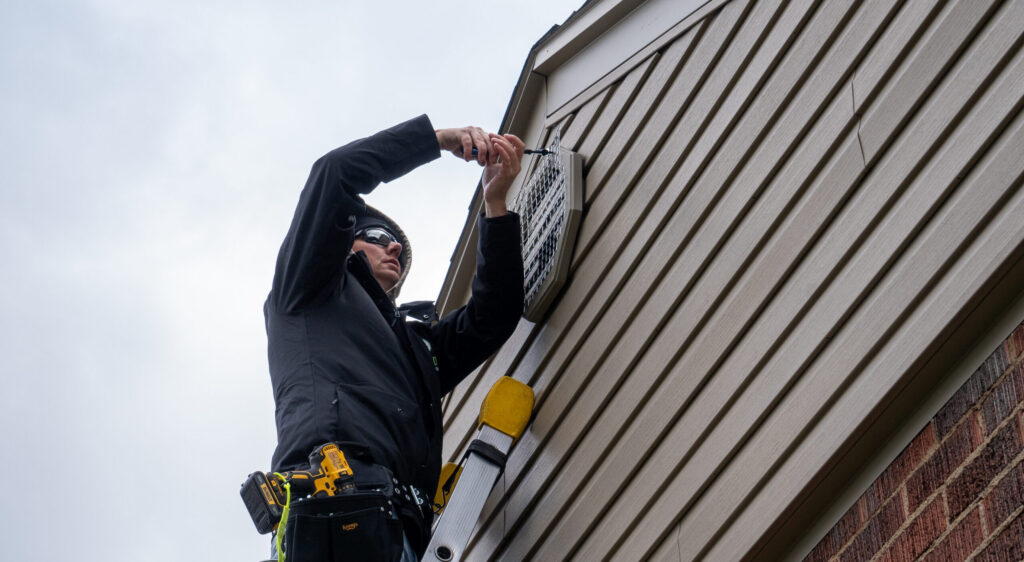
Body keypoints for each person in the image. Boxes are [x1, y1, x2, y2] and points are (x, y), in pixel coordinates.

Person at [264, 114, 525, 561]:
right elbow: (335, 174)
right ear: (343, 243)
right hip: (336, 510)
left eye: (398, 249)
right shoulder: (308, 290)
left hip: (398, 529)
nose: (395, 249)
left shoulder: (415, 349)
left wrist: (495, 204)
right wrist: (440, 140)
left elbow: (493, 317)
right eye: (379, 237)